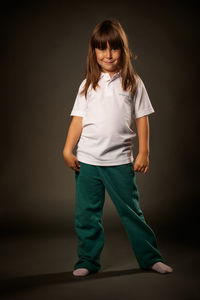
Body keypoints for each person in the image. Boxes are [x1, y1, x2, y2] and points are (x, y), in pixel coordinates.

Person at [63, 19, 173, 277]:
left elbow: (142, 118)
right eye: (102, 49)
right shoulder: (87, 84)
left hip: (119, 161)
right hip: (88, 161)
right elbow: (78, 119)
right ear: (94, 52)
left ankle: (150, 258)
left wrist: (144, 152)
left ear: (123, 50)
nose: (108, 54)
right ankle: (87, 262)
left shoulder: (133, 82)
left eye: (114, 48)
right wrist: (68, 150)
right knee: (87, 216)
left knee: (132, 213)